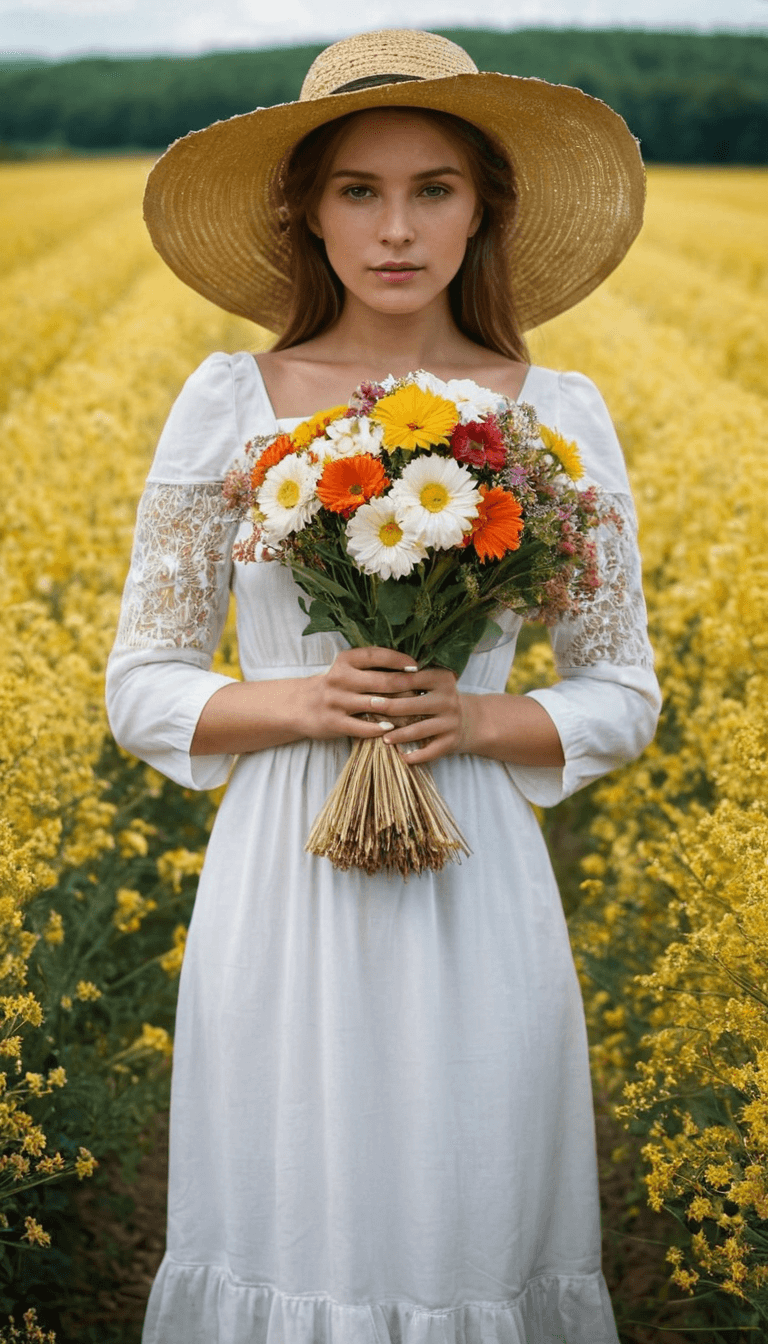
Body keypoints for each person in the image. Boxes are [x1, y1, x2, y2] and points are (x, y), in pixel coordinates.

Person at [106, 28, 661, 1344]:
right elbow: (144, 683)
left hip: (472, 882)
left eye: (435, 189)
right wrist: (302, 705)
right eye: (359, 189)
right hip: (286, 875)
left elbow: (621, 691)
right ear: (307, 210)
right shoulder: (228, 405)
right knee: (293, 1218)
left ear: (486, 210)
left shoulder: (559, 414)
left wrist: (475, 719)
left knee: (468, 1221)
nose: (396, 229)